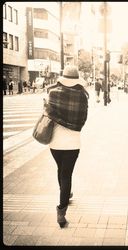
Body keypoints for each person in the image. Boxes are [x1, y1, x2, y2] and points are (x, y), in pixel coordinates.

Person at [45, 65, 89, 228]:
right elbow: (83, 120)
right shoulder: (82, 96)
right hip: (72, 142)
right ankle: (61, 212)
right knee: (66, 174)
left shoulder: (52, 92)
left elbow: (47, 114)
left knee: (60, 170)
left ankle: (64, 193)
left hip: (54, 142)